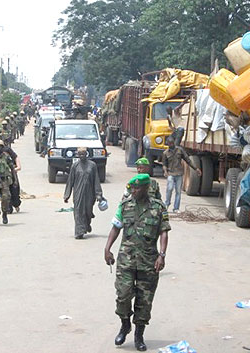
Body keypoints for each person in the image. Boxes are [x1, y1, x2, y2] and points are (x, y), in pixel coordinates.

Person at [104, 173, 171, 351]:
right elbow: (116, 227)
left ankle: (139, 335)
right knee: (123, 296)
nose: (133, 190)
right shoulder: (125, 205)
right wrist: (107, 248)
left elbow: (164, 232)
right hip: (126, 260)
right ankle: (125, 324)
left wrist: (162, 255)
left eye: (137, 188)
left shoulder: (158, 207)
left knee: (144, 301)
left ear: (146, 188)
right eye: (132, 187)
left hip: (149, 262)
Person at [63, 147, 103, 239]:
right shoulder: (75, 166)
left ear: (86, 154)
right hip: (78, 193)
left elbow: (96, 180)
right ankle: (79, 232)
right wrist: (67, 195)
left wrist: (98, 194)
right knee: (78, 211)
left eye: (83, 154)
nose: (81, 156)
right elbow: (70, 181)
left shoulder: (92, 165)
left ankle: (87, 224)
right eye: (79, 154)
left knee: (88, 211)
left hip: (89, 194)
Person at [162, 136, 202, 212]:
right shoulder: (165, 153)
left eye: (172, 143)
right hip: (170, 173)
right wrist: (165, 171)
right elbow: (164, 164)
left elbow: (188, 160)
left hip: (179, 174)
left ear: (174, 142)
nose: (171, 144)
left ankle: (176, 208)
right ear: (168, 144)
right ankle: (167, 204)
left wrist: (196, 169)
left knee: (178, 192)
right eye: (169, 143)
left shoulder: (180, 150)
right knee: (169, 189)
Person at [3, 145, 22, 213]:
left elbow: (19, 167)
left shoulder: (13, 158)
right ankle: (8, 207)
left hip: (12, 176)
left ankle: (16, 205)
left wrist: (12, 170)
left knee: (14, 193)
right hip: (3, 178)